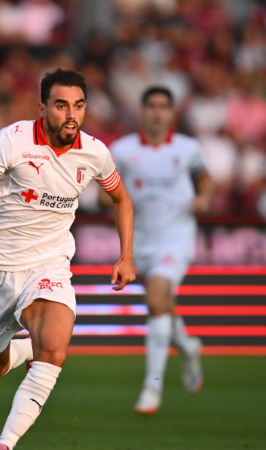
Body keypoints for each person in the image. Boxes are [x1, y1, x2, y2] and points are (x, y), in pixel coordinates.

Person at [0, 68, 136, 450]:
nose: (71, 115)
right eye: (61, 105)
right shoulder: (13, 140)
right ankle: (25, 348)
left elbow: (121, 199)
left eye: (79, 106)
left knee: (54, 349)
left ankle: (5, 443)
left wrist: (126, 255)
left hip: (49, 264)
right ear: (42, 108)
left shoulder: (94, 152)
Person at [103, 86, 213, 415]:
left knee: (155, 299)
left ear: (172, 113)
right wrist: (105, 198)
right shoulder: (122, 150)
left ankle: (152, 387)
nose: (156, 111)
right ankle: (189, 347)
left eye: (163, 106)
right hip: (139, 241)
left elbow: (205, 180)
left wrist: (204, 198)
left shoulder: (188, 148)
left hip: (176, 237)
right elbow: (107, 192)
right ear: (142, 111)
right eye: (151, 105)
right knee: (162, 304)